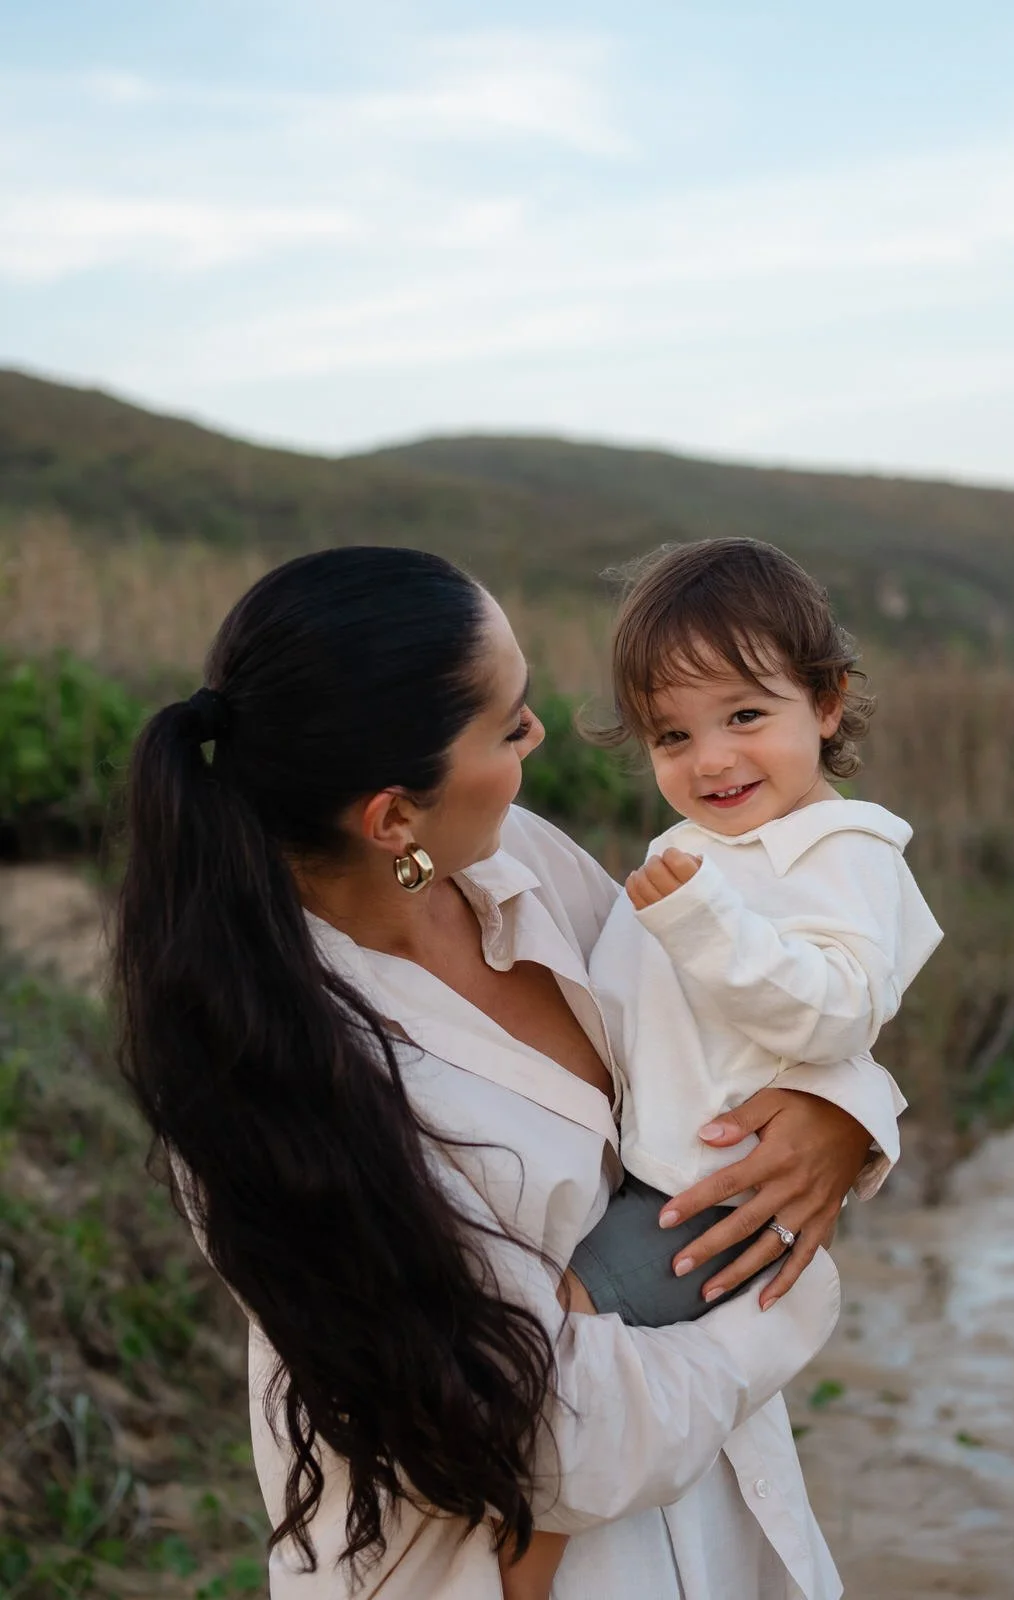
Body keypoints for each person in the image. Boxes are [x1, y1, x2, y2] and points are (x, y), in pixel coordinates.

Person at [114, 546, 906, 1599]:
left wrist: (839, 1109)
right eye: (509, 723)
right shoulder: (275, 1068)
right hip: (497, 1565)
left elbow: (727, 1017)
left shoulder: (513, 857)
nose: (539, 734)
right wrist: (783, 1318)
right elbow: (548, 1440)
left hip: (707, 1513)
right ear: (393, 816)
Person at [505, 537, 942, 1597]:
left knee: (554, 1340)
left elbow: (838, 1009)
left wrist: (699, 923)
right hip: (651, 1167)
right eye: (672, 733)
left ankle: (517, 1570)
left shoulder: (844, 851)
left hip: (706, 1188)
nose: (710, 759)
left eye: (745, 715)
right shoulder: (699, 849)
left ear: (825, 703)